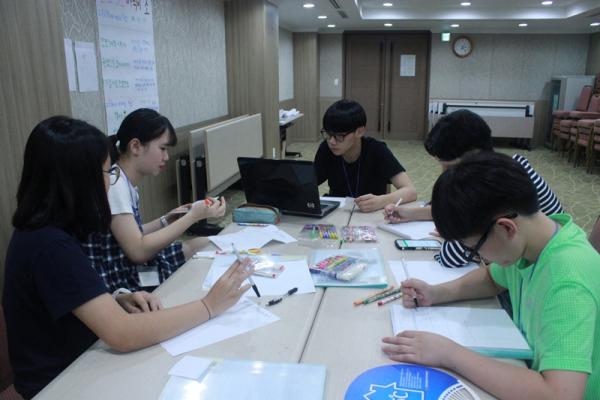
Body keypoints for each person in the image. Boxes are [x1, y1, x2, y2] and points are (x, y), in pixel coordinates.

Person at [2, 116, 253, 399]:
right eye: (106, 173)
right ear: (78, 180)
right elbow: (122, 334)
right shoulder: (51, 246)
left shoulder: (43, 231)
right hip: (61, 383)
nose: (110, 183)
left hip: (80, 361)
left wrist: (115, 298)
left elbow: (69, 296)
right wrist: (209, 305)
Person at [382, 152, 600, 400]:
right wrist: (436, 293)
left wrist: (449, 353)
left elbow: (559, 395)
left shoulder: (568, 282)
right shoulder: (534, 242)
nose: (478, 256)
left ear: (506, 227)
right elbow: (492, 279)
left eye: (474, 248)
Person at [384, 109, 563, 268]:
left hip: (539, 267)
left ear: (476, 156)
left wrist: (454, 234)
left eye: (450, 167)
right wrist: (411, 214)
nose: (445, 174)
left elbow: (449, 258)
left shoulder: (489, 187)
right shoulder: (509, 166)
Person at [82, 108, 224, 293]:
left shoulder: (123, 180)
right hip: (121, 278)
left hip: (130, 266)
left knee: (205, 243)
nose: (166, 157)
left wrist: (167, 219)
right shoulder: (115, 185)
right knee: (200, 255)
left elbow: (130, 234)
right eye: (162, 148)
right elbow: (138, 251)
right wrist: (192, 217)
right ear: (136, 146)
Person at [314, 99, 417, 213]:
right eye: (328, 134)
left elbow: (411, 191)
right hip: (338, 212)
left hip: (371, 213)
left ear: (359, 132)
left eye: (339, 136)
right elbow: (309, 183)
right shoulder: (326, 149)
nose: (332, 141)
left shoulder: (377, 150)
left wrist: (382, 201)